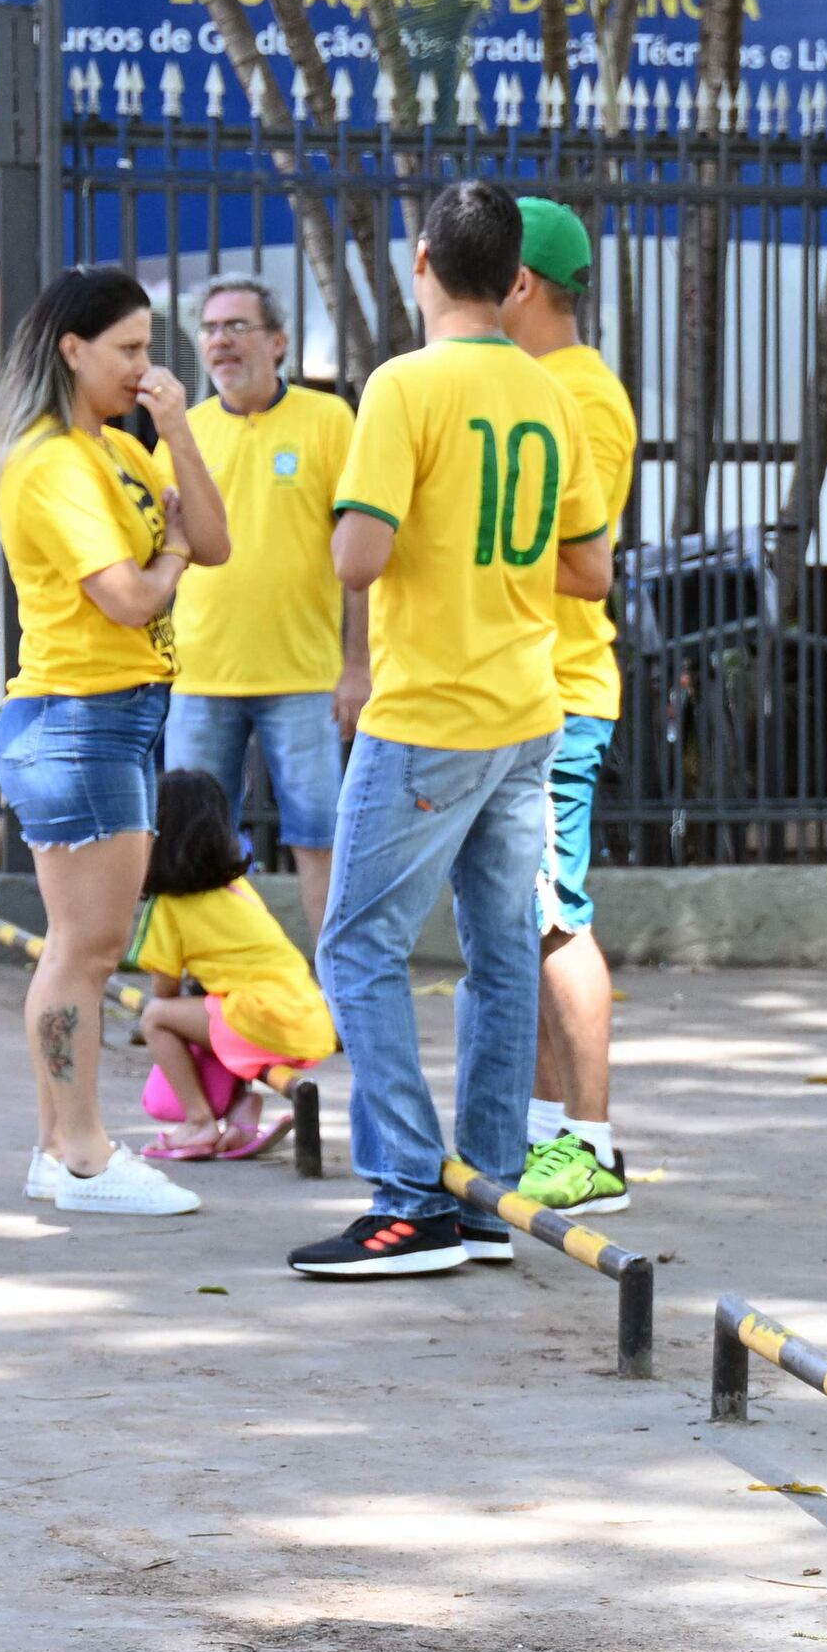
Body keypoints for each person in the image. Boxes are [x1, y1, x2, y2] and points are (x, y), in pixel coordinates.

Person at [295, 182, 583, 1282]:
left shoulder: (404, 384)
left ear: (421, 262)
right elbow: (588, 564)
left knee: (356, 947)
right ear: (514, 279)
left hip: (430, 714)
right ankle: (485, 1194)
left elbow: (357, 558)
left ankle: (409, 1196)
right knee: (501, 955)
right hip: (525, 710)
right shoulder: (550, 391)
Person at [0, 262, 230, 1219]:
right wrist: (169, 551)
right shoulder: (51, 462)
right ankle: (84, 1153)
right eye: (126, 348)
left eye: (148, 346)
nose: (144, 365)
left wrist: (178, 432)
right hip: (79, 717)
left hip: (112, 715)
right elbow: (130, 596)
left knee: (79, 947)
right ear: (71, 349)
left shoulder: (120, 447)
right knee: (87, 950)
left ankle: (62, 1149)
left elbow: (215, 540)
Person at [504, 195, 639, 1218]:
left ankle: (587, 1144)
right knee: (530, 918)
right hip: (528, 690)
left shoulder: (578, 396)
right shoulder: (538, 385)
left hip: (559, 690)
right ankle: (547, 1129)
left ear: (517, 285)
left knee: (557, 918)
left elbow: (576, 556)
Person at [164, 277, 356, 936]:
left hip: (305, 677)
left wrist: (358, 666)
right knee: (189, 841)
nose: (220, 340)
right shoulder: (184, 433)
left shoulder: (329, 420)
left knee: (320, 838)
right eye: (211, 328)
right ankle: (201, 981)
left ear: (278, 342)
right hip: (199, 677)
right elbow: (158, 546)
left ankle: (336, 984)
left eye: (236, 326)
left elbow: (359, 554)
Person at [129, 765, 337, 1161]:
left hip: (261, 1018)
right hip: (306, 1016)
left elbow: (164, 990)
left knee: (157, 1017)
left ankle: (199, 1122)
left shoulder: (169, 908)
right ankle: (242, 1113)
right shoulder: (237, 889)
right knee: (213, 1007)